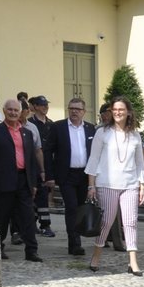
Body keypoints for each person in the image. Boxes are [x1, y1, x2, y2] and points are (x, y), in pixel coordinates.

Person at [85, 96, 144, 276]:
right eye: (115, 109)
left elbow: (140, 162)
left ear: (128, 112)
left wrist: (142, 184)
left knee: (130, 222)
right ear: (111, 112)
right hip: (107, 183)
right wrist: (91, 185)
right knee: (106, 222)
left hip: (130, 184)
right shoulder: (102, 132)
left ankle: (133, 262)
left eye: (121, 109)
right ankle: (96, 256)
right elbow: (94, 159)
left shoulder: (135, 134)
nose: (118, 112)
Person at [0, 98, 43, 262]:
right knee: (2, 216)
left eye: (16, 110)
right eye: (10, 110)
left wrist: (34, 183)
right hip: (4, 180)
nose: (13, 113)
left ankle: (31, 250)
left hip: (24, 180)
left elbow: (31, 159)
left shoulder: (27, 133)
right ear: (4, 110)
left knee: (28, 216)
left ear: (22, 112)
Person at [45, 97, 96, 256]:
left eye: (78, 109)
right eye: (71, 108)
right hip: (66, 175)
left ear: (84, 112)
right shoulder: (58, 127)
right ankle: (74, 243)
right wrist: (49, 175)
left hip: (84, 175)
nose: (74, 111)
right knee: (72, 207)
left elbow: (95, 153)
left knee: (81, 208)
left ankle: (77, 239)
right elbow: (48, 152)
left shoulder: (90, 129)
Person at [27, 96, 55, 236]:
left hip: (47, 163)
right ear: (35, 106)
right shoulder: (30, 123)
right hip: (33, 163)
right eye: (42, 105)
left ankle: (45, 225)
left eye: (46, 105)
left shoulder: (51, 124)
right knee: (32, 195)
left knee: (44, 195)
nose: (45, 107)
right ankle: (31, 224)